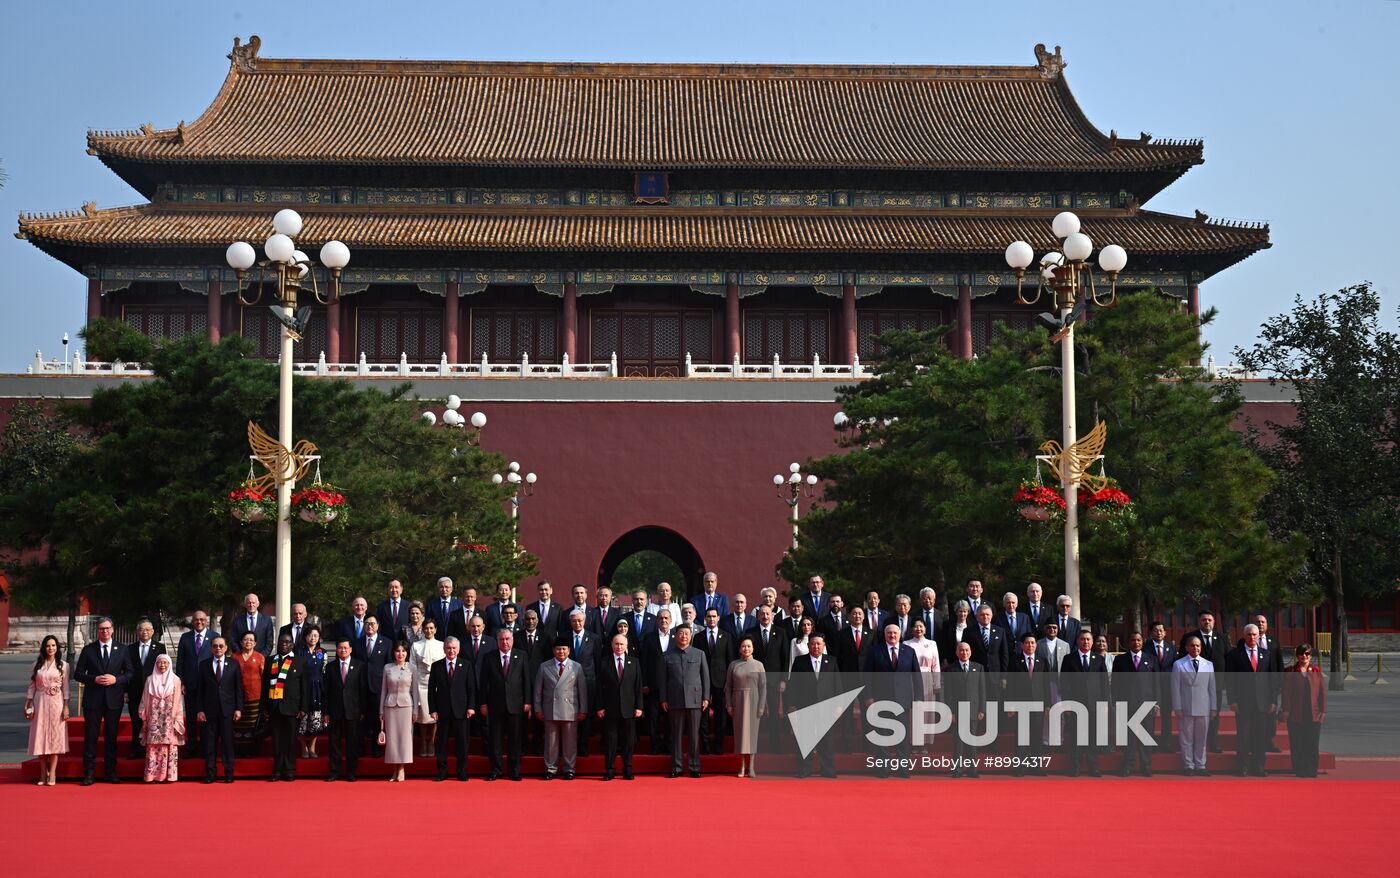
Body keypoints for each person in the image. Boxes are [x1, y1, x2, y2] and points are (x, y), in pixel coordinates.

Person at [74, 616, 132, 785]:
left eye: (107, 628)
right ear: (97, 631)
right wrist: (94, 679)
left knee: (111, 737)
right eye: (101, 629)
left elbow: (130, 673)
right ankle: (89, 773)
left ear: (112, 630)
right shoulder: (88, 650)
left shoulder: (122, 649)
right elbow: (78, 674)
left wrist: (116, 679)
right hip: (93, 700)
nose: (105, 631)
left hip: (113, 699)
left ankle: (111, 772)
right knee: (91, 737)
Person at [862, 624, 919, 776]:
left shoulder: (909, 651)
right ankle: (884, 768)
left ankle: (903, 768)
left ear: (900, 635)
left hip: (903, 700)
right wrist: (868, 696)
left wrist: (919, 698)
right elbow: (867, 676)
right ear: (885, 635)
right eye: (889, 633)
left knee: (903, 736)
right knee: (882, 735)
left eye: (895, 633)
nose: (892, 635)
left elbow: (917, 676)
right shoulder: (875, 651)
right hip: (881, 699)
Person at [1224, 623, 1279, 777]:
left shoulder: (1266, 654)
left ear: (1259, 636)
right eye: (1249, 634)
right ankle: (1242, 767)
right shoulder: (1234, 654)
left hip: (1262, 704)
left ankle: (1259, 767)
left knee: (1260, 737)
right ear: (1244, 635)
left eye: (1254, 634)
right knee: (1243, 737)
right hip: (1243, 703)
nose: (1252, 637)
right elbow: (1230, 680)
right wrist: (1232, 700)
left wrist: (1273, 701)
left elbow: (1272, 679)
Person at [478, 628, 531, 781]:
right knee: (495, 740)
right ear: (497, 641)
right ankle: (496, 770)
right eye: (502, 639)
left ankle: (514, 771)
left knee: (515, 740)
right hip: (495, 705)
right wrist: (483, 703)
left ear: (512, 640)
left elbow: (526, 680)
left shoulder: (521, 655)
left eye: (507, 639)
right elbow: (483, 683)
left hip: (516, 704)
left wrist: (527, 701)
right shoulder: (489, 657)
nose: (505, 642)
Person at [785, 633, 839, 777]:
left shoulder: (831, 661)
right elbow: (793, 684)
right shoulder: (800, 661)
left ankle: (828, 769)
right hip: (805, 706)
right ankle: (804, 769)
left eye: (819, 644)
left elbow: (837, 683)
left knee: (826, 740)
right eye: (813, 644)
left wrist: (838, 705)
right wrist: (792, 704)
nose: (816, 646)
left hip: (826, 707)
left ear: (823, 645)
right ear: (808, 646)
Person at [535, 636, 588, 780]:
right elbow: (538, 690)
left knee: (570, 742)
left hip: (570, 709)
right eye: (558, 649)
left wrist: (583, 709)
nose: (561, 652)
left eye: (564, 649)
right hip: (550, 708)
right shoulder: (544, 666)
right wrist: (538, 708)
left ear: (569, 650)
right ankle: (550, 768)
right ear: (553, 650)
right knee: (551, 742)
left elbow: (582, 690)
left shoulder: (576, 667)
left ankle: (569, 768)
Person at [662, 624, 710, 778]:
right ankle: (676, 767)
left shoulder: (699, 654)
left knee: (694, 735)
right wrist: (663, 698)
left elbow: (705, 677)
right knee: (676, 735)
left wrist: (706, 697)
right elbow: (663, 680)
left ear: (691, 636)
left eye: (687, 634)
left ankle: (694, 767)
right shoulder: (667, 655)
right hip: (674, 700)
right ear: (675, 635)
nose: (684, 636)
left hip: (695, 700)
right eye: (681, 633)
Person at [1059, 628, 1107, 776]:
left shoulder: (1099, 659)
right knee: (1076, 736)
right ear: (1077, 641)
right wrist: (1066, 703)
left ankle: (1093, 766)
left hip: (1094, 704)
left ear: (1092, 642)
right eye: (1082, 639)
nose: (1085, 642)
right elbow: (1064, 683)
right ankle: (1075, 766)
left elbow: (1104, 684)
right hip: (1075, 704)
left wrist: (1104, 704)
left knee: (1093, 736)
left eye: (1088, 639)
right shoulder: (1069, 659)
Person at [1111, 631, 1159, 776]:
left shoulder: (1151, 659)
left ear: (1142, 642)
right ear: (1128, 643)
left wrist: (1156, 703)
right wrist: (1116, 703)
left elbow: (1156, 683)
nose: (1136, 642)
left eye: (1138, 640)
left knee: (1146, 737)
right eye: (1133, 640)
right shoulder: (1120, 660)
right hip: (1127, 704)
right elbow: (1115, 684)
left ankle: (1146, 765)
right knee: (1128, 738)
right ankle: (1128, 765)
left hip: (1146, 704)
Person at [429, 636, 476, 781]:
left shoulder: (466, 665)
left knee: (462, 743)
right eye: (448, 648)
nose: (451, 651)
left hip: (461, 711)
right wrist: (433, 709)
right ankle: (442, 772)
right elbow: (431, 690)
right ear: (444, 649)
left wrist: (471, 707)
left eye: (454, 648)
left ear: (459, 649)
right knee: (441, 743)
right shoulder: (436, 666)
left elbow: (471, 688)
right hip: (442, 711)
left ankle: (462, 771)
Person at [196, 635, 243, 783]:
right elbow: (200, 690)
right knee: (210, 744)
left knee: (228, 743)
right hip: (209, 711)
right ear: (211, 648)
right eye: (215, 646)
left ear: (226, 648)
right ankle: (210, 773)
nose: (218, 648)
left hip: (228, 710)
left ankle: (229, 772)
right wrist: (200, 710)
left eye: (221, 646)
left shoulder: (234, 664)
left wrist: (238, 708)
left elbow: (238, 688)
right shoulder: (204, 665)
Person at [25, 634, 69, 786]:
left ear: (57, 648)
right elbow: (32, 686)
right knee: (40, 736)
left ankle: (53, 773)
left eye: (53, 645)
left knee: (55, 737)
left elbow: (66, 688)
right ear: (44, 648)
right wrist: (28, 702)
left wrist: (66, 706)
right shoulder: (36, 665)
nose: (51, 648)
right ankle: (43, 773)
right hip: (40, 702)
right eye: (48, 645)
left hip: (57, 703)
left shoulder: (63, 665)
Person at [597, 633, 643, 780]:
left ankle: (627, 768)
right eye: (616, 644)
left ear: (626, 646)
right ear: (612, 645)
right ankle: (610, 769)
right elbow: (599, 687)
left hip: (629, 708)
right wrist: (600, 707)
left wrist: (639, 707)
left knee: (628, 741)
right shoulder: (604, 662)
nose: (619, 647)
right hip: (610, 708)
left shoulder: (634, 662)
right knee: (610, 741)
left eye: (622, 644)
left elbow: (638, 686)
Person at [265, 633, 310, 781]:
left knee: (290, 741)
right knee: (277, 742)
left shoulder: (300, 661)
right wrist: (264, 708)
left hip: (292, 708)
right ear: (277, 643)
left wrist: (303, 708)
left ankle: (289, 770)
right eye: (282, 641)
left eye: (288, 642)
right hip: (274, 707)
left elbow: (305, 687)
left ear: (292, 644)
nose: (284, 644)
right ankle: (277, 771)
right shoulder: (270, 661)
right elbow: (265, 686)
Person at [1005, 632, 1050, 775]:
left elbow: (1046, 684)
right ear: (1022, 645)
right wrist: (1010, 705)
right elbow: (1010, 685)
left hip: (1038, 704)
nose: (1030, 645)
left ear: (1036, 645)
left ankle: (1036, 767)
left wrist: (1047, 705)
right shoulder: (1015, 661)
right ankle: (1020, 767)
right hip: (1020, 704)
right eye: (1027, 643)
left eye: (1033, 643)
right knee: (1021, 737)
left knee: (1037, 736)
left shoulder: (1043, 661)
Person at [1180, 609, 1226, 752]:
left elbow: (1227, 659)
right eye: (1204, 620)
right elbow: (1182, 660)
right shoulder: (1189, 637)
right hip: (1194, 685)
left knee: (1214, 715)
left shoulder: (1222, 638)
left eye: (1209, 620)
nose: (1207, 622)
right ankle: (1195, 743)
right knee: (1194, 716)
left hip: (1216, 685)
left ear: (1214, 622)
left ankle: (1213, 742)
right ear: (1199, 621)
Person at [1172, 635, 1217, 776]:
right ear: (1186, 647)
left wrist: (1213, 707)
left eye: (1198, 645)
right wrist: (1177, 707)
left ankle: (1200, 765)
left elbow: (1212, 688)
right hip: (1186, 706)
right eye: (1192, 645)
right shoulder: (1179, 664)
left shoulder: (1208, 664)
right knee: (1186, 738)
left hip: (1203, 706)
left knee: (1201, 738)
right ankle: (1188, 765)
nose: (1195, 648)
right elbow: (1175, 687)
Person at [323, 636, 367, 782]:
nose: (343, 650)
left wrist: (362, 710)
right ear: (336, 650)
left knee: (352, 743)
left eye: (346, 648)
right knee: (334, 743)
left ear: (351, 649)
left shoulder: (359, 666)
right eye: (340, 648)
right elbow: (326, 691)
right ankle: (334, 771)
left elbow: (363, 690)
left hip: (353, 710)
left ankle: (351, 772)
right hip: (335, 710)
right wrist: (326, 712)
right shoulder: (330, 667)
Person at [137, 653, 184, 782]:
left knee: (169, 746)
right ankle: (152, 775)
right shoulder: (150, 680)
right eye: (159, 662)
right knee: (153, 746)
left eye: (165, 663)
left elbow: (178, 701)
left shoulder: (175, 680)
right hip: (153, 718)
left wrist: (177, 719)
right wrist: (144, 718)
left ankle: (167, 775)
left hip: (169, 719)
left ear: (169, 664)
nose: (162, 665)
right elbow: (144, 699)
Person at [724, 636, 767, 778]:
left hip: (754, 701)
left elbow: (763, 687)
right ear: (739, 649)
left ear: (753, 648)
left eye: (749, 646)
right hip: (738, 701)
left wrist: (761, 707)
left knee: (752, 735)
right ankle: (742, 765)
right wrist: (729, 704)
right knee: (740, 735)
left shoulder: (759, 665)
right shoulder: (733, 665)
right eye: (743, 646)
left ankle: (752, 766)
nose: (746, 648)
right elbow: (728, 687)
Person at [1281, 643, 1326, 778]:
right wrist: (1286, 710)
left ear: (1310, 656)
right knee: (1297, 743)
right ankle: (1299, 769)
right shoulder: (1290, 671)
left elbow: (1322, 693)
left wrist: (1323, 711)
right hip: (1295, 713)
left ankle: (1311, 769)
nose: (1304, 656)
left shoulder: (1316, 671)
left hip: (1313, 713)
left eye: (1307, 654)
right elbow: (1286, 693)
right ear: (1297, 656)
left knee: (1312, 743)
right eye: (1301, 654)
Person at [125, 617, 166, 759]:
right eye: (141, 630)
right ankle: (136, 750)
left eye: (148, 629)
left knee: (153, 720)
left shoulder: (160, 648)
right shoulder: (129, 649)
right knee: (136, 721)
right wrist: (125, 691)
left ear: (153, 631)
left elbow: (163, 669)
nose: (145, 632)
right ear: (137, 632)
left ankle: (152, 750)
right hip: (134, 691)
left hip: (154, 691)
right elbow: (125, 671)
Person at [176, 610, 215, 756]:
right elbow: (180, 662)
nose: (199, 622)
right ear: (192, 622)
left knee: (206, 717)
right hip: (190, 684)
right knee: (191, 717)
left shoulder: (214, 636)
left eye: (202, 619)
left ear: (206, 621)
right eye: (196, 620)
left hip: (207, 685)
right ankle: (192, 746)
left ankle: (205, 748)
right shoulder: (185, 638)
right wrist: (181, 682)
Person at [696, 607, 735, 754]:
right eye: (709, 616)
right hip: (703, 682)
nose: (711, 619)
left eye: (714, 616)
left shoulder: (727, 636)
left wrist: (728, 683)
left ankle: (718, 746)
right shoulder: (698, 637)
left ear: (718, 618)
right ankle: (705, 746)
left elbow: (730, 661)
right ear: (705, 619)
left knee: (721, 717)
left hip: (721, 683)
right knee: (703, 717)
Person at [944, 641, 985, 777]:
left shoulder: (978, 667)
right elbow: (948, 693)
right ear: (957, 653)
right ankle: (957, 769)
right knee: (958, 742)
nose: (964, 653)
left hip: (974, 710)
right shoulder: (951, 669)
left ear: (970, 652)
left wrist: (982, 709)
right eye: (961, 650)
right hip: (958, 710)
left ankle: (972, 770)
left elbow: (982, 690)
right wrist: (951, 712)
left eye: (967, 650)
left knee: (972, 741)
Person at [563, 609, 599, 756]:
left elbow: (597, 661)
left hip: (588, 682)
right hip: (567, 683)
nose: (577, 623)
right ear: (570, 622)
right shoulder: (564, 637)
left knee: (586, 714)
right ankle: (569, 746)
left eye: (580, 620)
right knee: (569, 715)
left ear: (584, 621)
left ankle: (583, 745)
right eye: (574, 621)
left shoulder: (594, 638)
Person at [380, 640, 417, 781]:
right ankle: (394, 769)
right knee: (392, 740)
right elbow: (383, 690)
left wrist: (416, 710)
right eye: (397, 651)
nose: (400, 654)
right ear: (393, 653)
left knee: (405, 739)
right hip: (390, 706)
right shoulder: (387, 668)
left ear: (407, 653)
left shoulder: (412, 668)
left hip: (407, 706)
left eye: (403, 651)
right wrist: (381, 710)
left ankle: (401, 769)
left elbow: (415, 691)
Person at [641, 608, 676, 754]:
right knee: (653, 718)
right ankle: (655, 745)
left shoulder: (677, 636)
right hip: (653, 685)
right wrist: (644, 683)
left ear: (671, 620)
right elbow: (644, 661)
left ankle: (668, 745)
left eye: (666, 618)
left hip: (672, 685)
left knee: (670, 718)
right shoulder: (649, 638)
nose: (664, 621)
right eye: (661, 618)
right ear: (657, 621)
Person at [411, 617, 445, 757]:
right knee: (423, 715)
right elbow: (412, 666)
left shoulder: (441, 645)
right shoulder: (416, 645)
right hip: (421, 682)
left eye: (431, 628)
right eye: (426, 628)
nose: (429, 630)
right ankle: (424, 741)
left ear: (435, 629)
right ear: (422, 630)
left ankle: (432, 740)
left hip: (437, 682)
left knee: (434, 714)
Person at [359, 615, 392, 756]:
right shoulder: (357, 643)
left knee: (378, 718)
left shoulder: (387, 643)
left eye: (372, 623)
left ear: (378, 625)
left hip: (379, 686)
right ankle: (360, 747)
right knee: (361, 718)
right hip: (361, 686)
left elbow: (389, 665)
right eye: (367, 623)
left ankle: (376, 747)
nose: (370, 626)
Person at [231, 632, 266, 755]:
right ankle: (239, 751)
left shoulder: (260, 657)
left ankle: (252, 751)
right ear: (241, 642)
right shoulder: (234, 657)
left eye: (251, 640)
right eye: (245, 639)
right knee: (238, 725)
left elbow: (264, 677)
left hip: (255, 697)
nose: (248, 642)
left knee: (252, 725)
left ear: (255, 643)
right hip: (237, 697)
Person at [1146, 620, 1179, 747]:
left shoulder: (1172, 648)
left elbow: (1175, 668)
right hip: (1150, 687)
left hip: (1167, 687)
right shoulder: (1145, 648)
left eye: (1161, 630)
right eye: (1155, 630)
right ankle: (1149, 744)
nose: (1159, 633)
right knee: (1150, 717)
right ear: (1151, 633)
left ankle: (1167, 743)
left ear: (1165, 633)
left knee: (1166, 716)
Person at [298, 625, 327, 758]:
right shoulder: (300, 651)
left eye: (316, 635)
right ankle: (303, 747)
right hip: (303, 687)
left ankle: (312, 747)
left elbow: (324, 671)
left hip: (318, 688)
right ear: (305, 637)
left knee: (316, 719)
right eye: (310, 635)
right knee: (303, 720)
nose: (313, 638)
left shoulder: (322, 652)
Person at [906, 619, 941, 702]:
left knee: (928, 705)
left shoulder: (932, 644)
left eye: (921, 626)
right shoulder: (906, 644)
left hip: (928, 678)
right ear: (912, 629)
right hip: (912, 679)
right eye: (916, 626)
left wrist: (937, 683)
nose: (918, 629)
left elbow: (936, 665)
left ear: (925, 629)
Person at [968, 604, 1007, 674]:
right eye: (982, 615)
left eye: (987, 614)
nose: (985, 617)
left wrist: (1003, 676)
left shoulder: (1000, 631)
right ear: (977, 617)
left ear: (991, 616)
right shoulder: (968, 632)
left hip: (995, 673)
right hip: (976, 672)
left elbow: (1004, 654)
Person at [939, 600, 973, 665]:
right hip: (952, 659)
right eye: (960, 611)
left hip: (969, 660)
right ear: (956, 612)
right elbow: (944, 643)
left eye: (964, 611)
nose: (962, 614)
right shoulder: (948, 625)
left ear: (968, 612)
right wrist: (944, 658)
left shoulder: (973, 625)